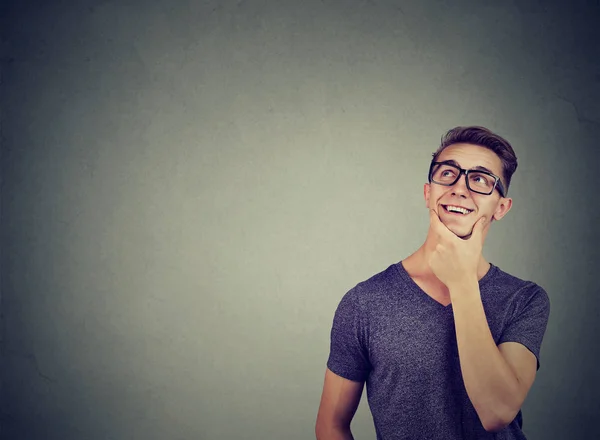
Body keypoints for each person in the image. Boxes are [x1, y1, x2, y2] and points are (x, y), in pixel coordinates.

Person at [315, 126, 551, 440]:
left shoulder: (524, 299)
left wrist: (462, 279)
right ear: (428, 192)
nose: (460, 188)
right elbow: (331, 426)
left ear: (501, 208)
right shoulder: (364, 303)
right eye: (448, 173)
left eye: (480, 179)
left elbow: (497, 411)